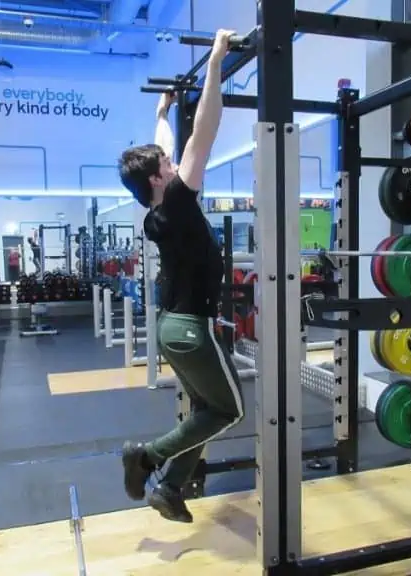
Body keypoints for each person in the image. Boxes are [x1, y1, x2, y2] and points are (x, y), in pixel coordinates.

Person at [117, 30, 244, 523]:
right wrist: (215, 60)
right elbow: (204, 135)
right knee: (229, 410)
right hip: (192, 328)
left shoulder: (157, 208)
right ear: (158, 179)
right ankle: (146, 457)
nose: (174, 164)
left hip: (174, 328)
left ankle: (169, 488)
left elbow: (168, 146)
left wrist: (162, 112)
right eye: (166, 165)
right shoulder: (176, 201)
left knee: (203, 411)